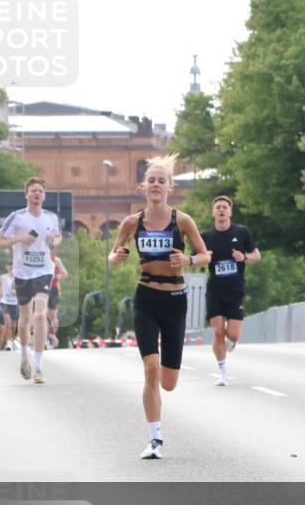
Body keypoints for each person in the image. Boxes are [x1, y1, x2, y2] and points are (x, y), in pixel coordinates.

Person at [108, 154, 210, 459]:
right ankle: (155, 439)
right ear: (143, 187)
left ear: (170, 188)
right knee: (150, 369)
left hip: (175, 301)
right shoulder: (131, 222)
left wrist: (189, 259)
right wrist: (117, 257)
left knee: (169, 382)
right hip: (147, 298)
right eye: (150, 180)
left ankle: (158, 427)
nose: (155, 185)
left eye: (161, 181)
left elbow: (206, 256)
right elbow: (112, 254)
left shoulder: (183, 221)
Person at [0, 177, 62, 383]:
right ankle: (25, 355)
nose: (37, 194)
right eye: (33, 191)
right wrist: (20, 239)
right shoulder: (16, 217)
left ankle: (39, 366)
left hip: (43, 271)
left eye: (40, 191)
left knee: (40, 315)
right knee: (25, 318)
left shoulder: (51, 217)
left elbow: (57, 238)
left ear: (44, 196)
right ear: (27, 194)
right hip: (22, 272)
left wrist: (54, 240)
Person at [197, 196, 261, 386]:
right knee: (218, 332)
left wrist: (243, 257)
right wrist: (204, 256)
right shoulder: (206, 237)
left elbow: (257, 255)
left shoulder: (241, 232)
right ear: (213, 212)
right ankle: (223, 372)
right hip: (215, 291)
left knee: (232, 336)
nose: (221, 210)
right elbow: (195, 258)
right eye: (218, 207)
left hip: (235, 291)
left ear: (230, 212)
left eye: (225, 207)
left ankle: (229, 344)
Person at [46, 255, 68, 348]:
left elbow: (65, 274)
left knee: (52, 315)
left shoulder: (55, 260)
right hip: (40, 289)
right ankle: (44, 339)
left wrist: (56, 276)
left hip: (53, 290)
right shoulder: (37, 257)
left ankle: (52, 334)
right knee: (41, 314)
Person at [0, 263, 19, 350]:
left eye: (12, 266)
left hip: (14, 303)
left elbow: (21, 290)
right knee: (8, 323)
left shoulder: (18, 278)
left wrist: (15, 292)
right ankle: (9, 343)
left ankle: (7, 341)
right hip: (4, 302)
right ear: (6, 267)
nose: (10, 267)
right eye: (9, 266)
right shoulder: (2, 277)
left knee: (13, 326)